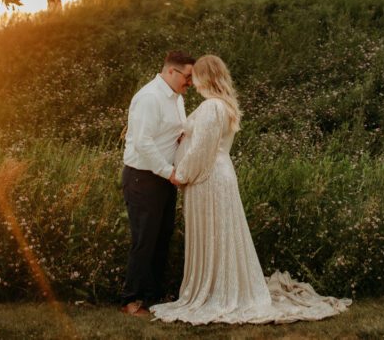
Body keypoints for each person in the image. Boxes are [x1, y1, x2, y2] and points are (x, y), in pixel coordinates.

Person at [150, 55, 351, 325]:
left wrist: (181, 174)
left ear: (205, 76)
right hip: (213, 176)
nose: (191, 81)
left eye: (194, 76)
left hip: (207, 178)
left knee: (217, 234)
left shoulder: (212, 107)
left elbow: (202, 151)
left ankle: (217, 292)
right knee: (220, 235)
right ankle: (219, 286)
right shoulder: (222, 105)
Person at [119, 50, 196, 316]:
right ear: (171, 72)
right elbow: (142, 142)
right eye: (187, 76)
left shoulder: (176, 99)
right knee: (144, 240)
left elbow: (173, 134)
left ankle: (153, 298)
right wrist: (168, 171)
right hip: (143, 178)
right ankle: (131, 300)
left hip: (164, 177)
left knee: (162, 238)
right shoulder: (150, 98)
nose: (191, 82)